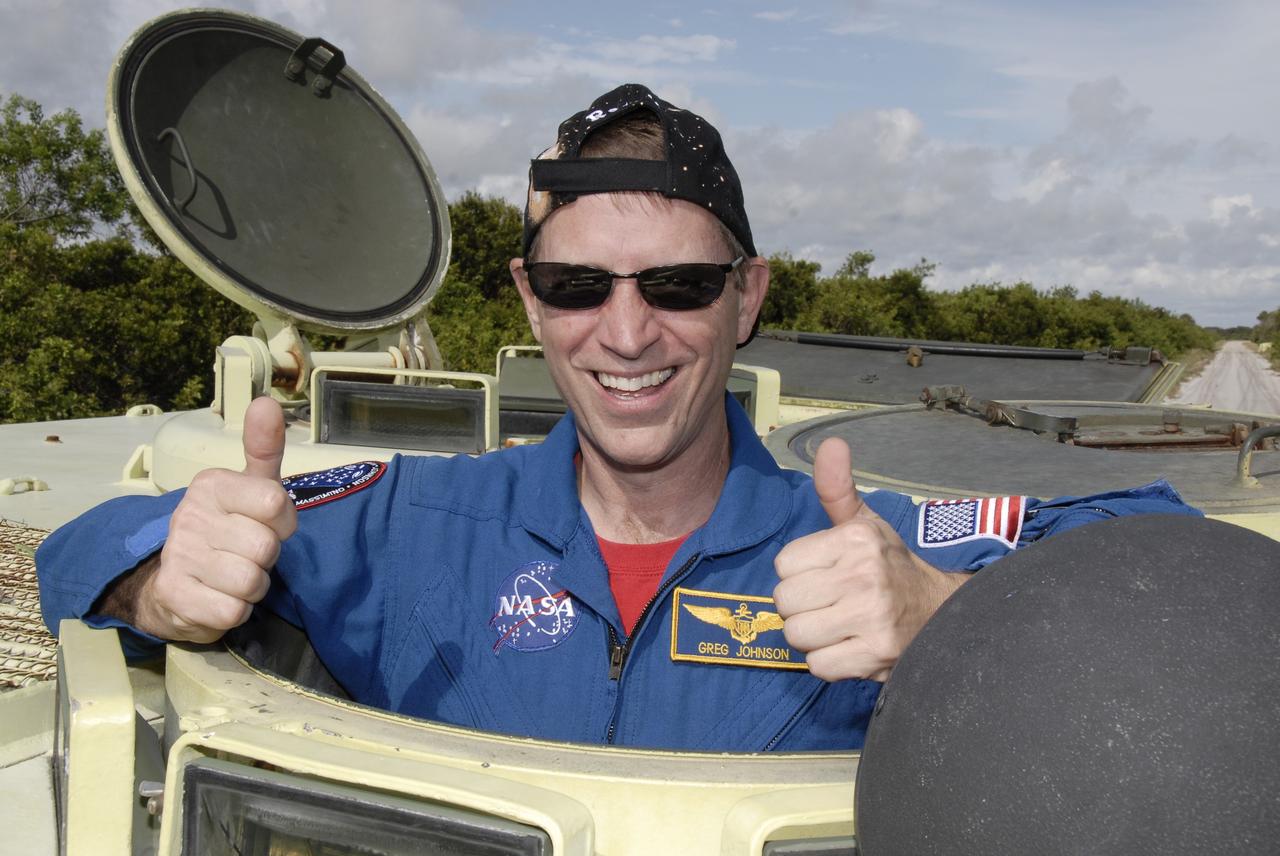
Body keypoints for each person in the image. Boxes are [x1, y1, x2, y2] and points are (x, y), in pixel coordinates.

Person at [36, 84, 1201, 751]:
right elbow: (76, 552)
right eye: (580, 286)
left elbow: (1190, 576)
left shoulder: (867, 545)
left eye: (679, 286)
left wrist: (951, 617)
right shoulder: (407, 525)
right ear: (530, 302)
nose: (627, 333)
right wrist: (156, 576)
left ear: (748, 295)